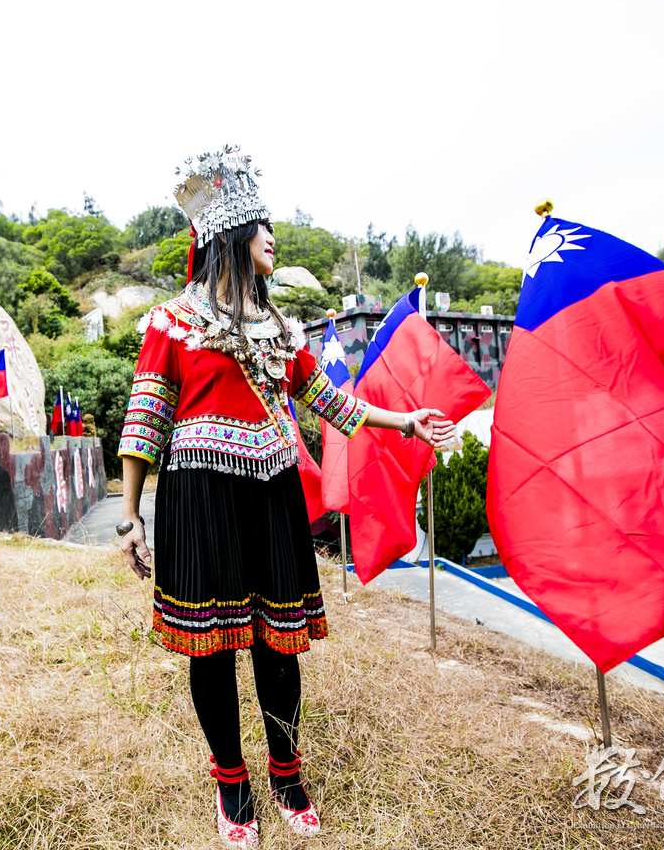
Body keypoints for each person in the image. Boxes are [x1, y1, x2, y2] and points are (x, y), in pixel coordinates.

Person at [117, 146, 456, 848]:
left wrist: (407, 420)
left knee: (279, 644)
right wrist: (129, 517)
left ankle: (288, 773)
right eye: (263, 228)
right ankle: (231, 785)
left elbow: (331, 401)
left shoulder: (279, 330)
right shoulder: (172, 322)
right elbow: (145, 416)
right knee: (211, 649)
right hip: (199, 495)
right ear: (232, 237)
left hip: (272, 493)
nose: (273, 239)